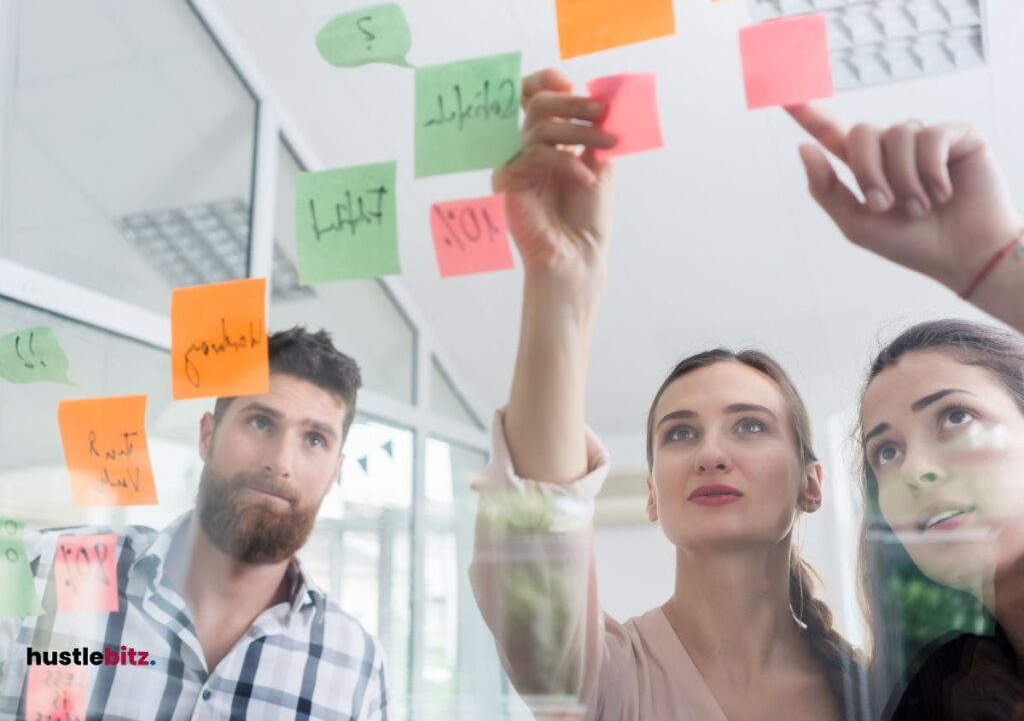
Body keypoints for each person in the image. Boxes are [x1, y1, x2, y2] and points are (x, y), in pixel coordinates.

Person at [468, 69, 861, 721]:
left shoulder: (879, 694)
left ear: (811, 485)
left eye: (751, 427)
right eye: (680, 433)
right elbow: (534, 540)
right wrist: (559, 281)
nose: (710, 453)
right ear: (652, 494)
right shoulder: (606, 682)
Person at [0, 327, 388, 720]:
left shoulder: (357, 667)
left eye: (315, 440)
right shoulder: (38, 574)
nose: (282, 463)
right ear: (207, 435)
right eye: (260, 422)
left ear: (336, 471)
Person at [787, 105, 1024, 718]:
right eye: (885, 452)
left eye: (953, 417)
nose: (913, 471)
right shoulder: (945, 691)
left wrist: (995, 266)